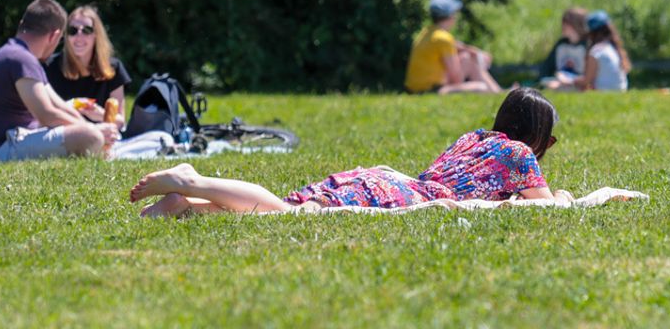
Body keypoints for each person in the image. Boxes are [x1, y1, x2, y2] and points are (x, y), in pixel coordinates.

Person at [130, 88, 560, 217]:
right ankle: (194, 179)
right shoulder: (520, 156)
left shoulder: (474, 138)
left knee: (283, 209)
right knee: (284, 212)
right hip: (404, 197)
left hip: (388, 181)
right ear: (537, 136)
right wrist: (558, 195)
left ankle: (185, 204)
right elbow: (548, 208)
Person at [0, 0, 119, 160]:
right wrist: (94, 131)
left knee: (90, 133)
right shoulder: (21, 58)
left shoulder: (18, 54)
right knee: (90, 137)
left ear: (21, 24)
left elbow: (59, 105)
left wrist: (92, 127)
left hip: (7, 143)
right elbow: (47, 115)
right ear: (54, 36)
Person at [45, 5, 130, 130]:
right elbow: (41, 116)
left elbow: (120, 122)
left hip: (101, 138)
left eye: (87, 30)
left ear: (96, 34)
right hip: (63, 136)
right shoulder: (50, 66)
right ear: (66, 36)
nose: (79, 36)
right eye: (73, 31)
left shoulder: (113, 68)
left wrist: (100, 115)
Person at [403, 0, 505, 94]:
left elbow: (458, 46)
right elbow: (456, 79)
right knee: (481, 87)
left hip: (416, 89)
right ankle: (498, 92)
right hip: (433, 90)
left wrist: (476, 53)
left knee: (466, 58)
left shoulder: (427, 33)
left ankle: (498, 92)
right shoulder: (444, 38)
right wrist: (479, 61)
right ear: (451, 15)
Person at [538, 7, 589, 90]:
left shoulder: (587, 45)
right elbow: (547, 67)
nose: (563, 25)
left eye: (567, 23)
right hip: (559, 81)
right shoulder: (561, 44)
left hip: (577, 84)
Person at [581, 10, 631, 92]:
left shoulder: (596, 52)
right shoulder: (613, 48)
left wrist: (569, 80)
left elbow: (586, 81)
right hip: (621, 91)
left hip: (604, 91)